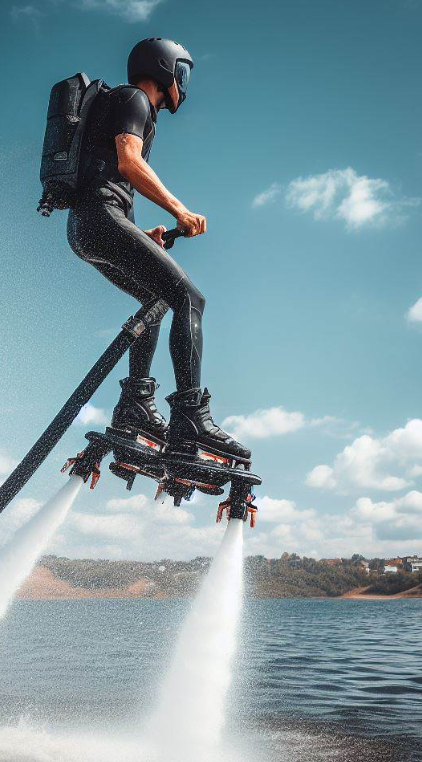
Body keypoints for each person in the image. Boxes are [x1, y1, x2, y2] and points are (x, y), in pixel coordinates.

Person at [67, 37, 250, 463]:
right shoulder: (134, 98)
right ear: (165, 69)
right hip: (100, 219)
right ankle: (191, 416)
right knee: (190, 298)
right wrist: (180, 210)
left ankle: (135, 407)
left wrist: (138, 232)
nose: (182, 86)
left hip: (87, 227)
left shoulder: (119, 102)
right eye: (181, 74)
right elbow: (129, 161)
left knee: (154, 300)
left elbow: (107, 179)